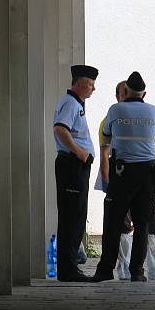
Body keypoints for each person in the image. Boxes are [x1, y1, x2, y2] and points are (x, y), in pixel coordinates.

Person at [92, 71, 155, 283]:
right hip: (147, 173)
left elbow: (106, 135)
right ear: (144, 93)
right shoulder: (153, 111)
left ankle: (105, 270)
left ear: (126, 91)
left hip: (122, 174)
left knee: (113, 221)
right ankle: (137, 272)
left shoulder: (115, 110)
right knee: (142, 222)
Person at [52, 64, 98, 282]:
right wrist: (81, 153)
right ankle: (68, 269)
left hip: (74, 165)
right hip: (72, 165)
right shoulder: (70, 103)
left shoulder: (74, 103)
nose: (93, 89)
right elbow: (61, 129)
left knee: (76, 215)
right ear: (79, 84)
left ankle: (69, 267)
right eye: (90, 84)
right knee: (72, 216)